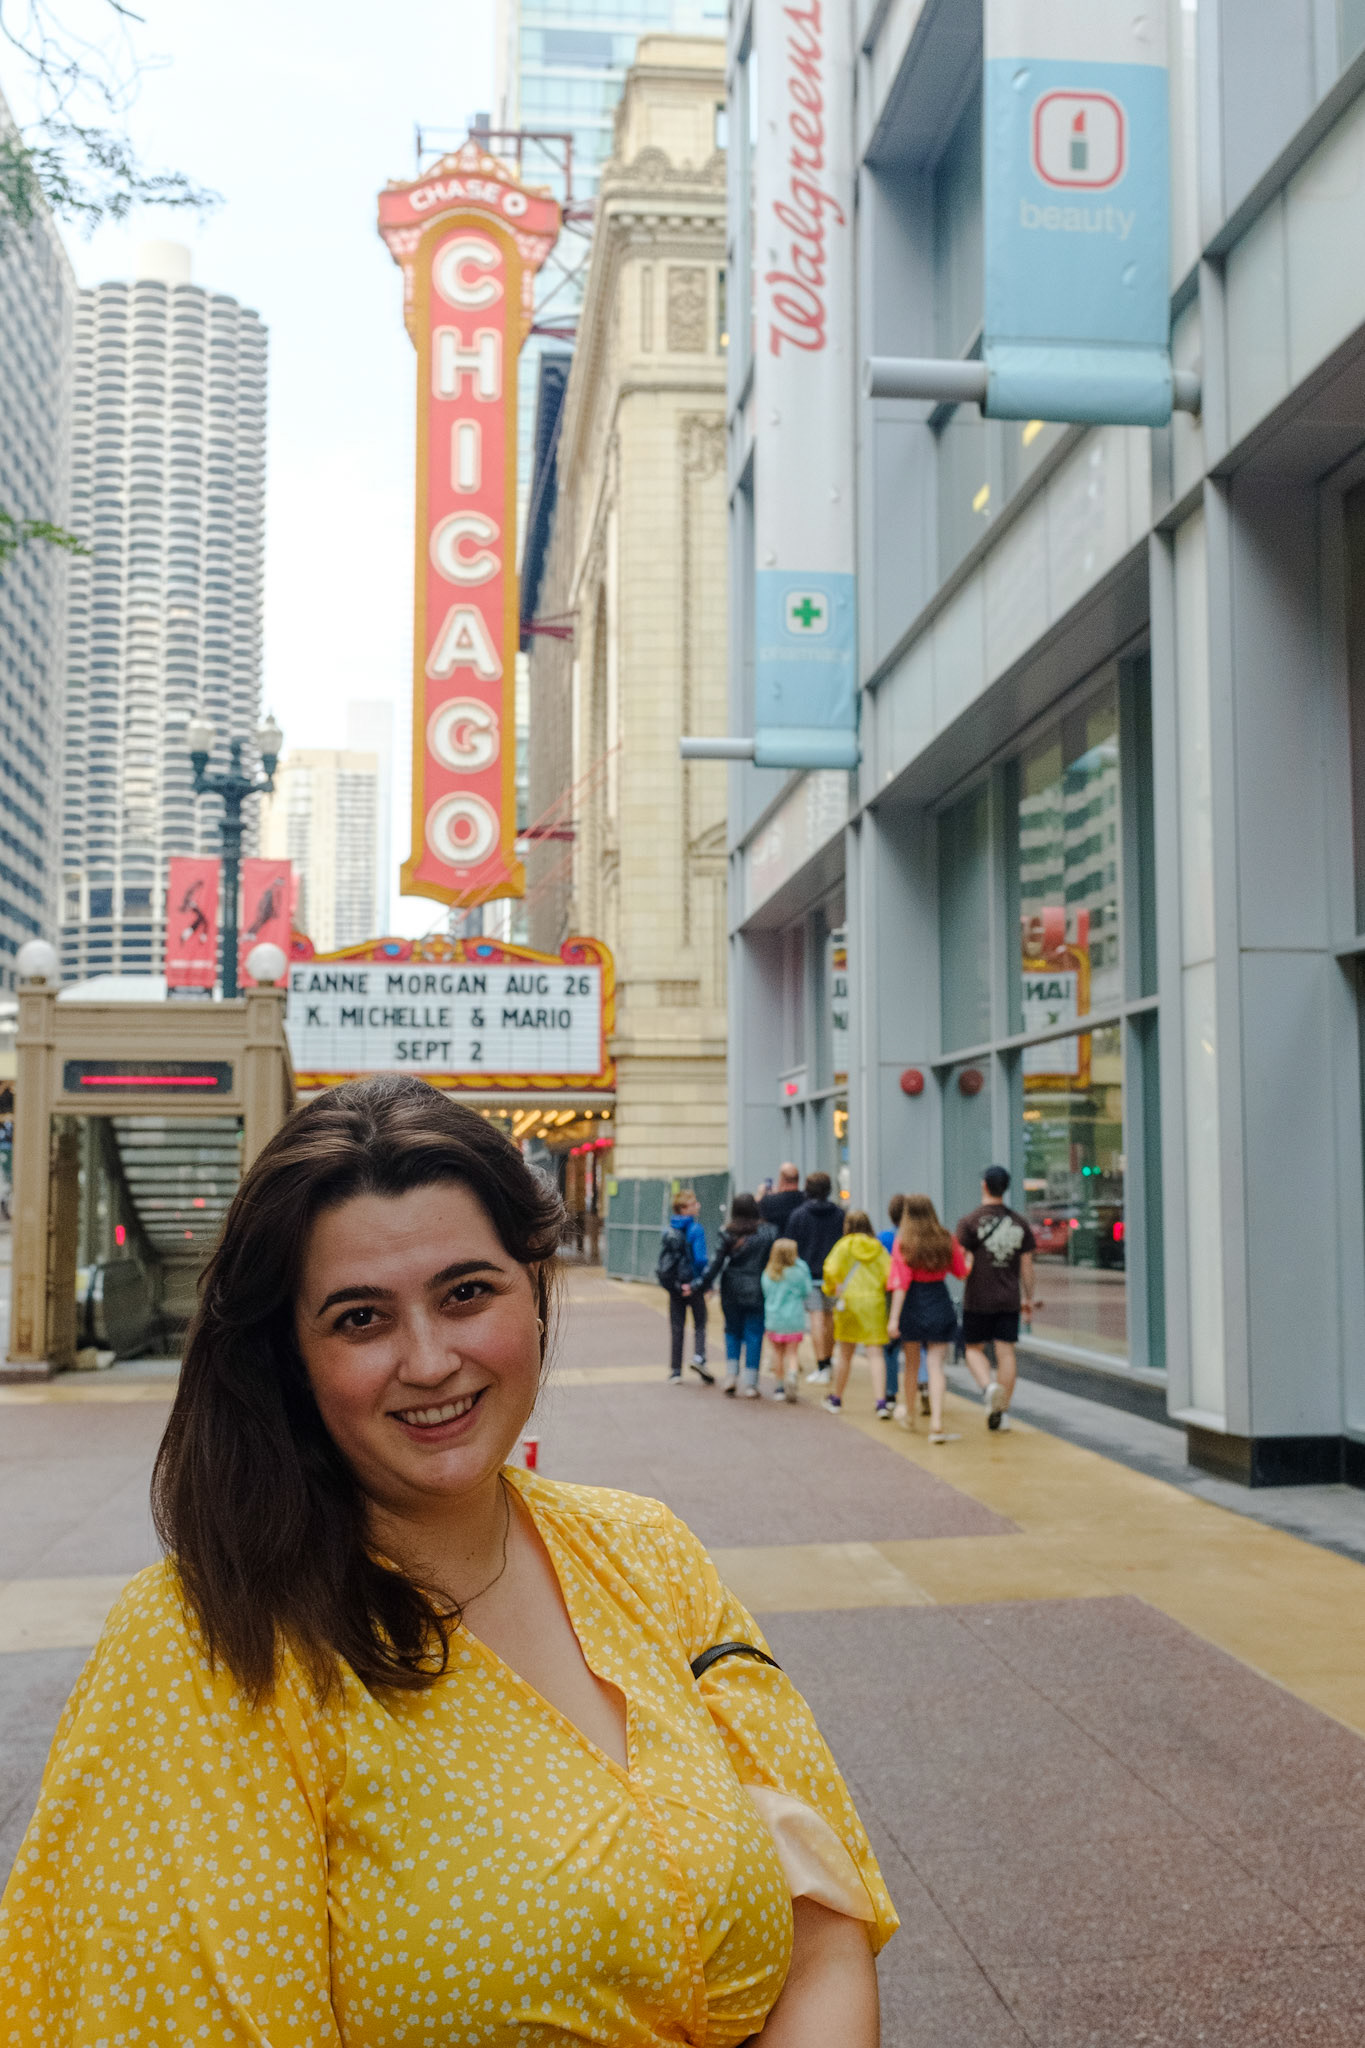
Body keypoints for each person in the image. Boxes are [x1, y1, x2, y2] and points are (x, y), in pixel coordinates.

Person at [0, 1076, 896, 2043]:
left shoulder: (645, 1551)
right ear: (289, 1358)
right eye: (360, 1318)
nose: (428, 1361)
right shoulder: (208, 1644)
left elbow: (824, 1916)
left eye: (466, 1293)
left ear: (534, 1292)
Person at [956, 1163, 1037, 1432]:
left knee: (972, 1349)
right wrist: (1028, 1299)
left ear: (984, 1186)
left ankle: (988, 1387)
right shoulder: (1020, 1223)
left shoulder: (969, 1222)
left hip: (977, 1298)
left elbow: (962, 1263)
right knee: (1006, 1353)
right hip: (1009, 1299)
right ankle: (1002, 1413)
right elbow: (1027, 1266)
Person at [887, 1196, 969, 1444]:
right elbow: (961, 1272)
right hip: (939, 1300)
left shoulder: (904, 1243)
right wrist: (969, 1259)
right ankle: (936, 1423)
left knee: (912, 1365)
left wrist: (893, 1319)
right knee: (935, 1366)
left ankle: (910, 1414)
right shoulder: (946, 1238)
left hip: (912, 1304)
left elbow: (901, 1284)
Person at [700, 1192, 777, 1398]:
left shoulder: (728, 1232)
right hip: (757, 1286)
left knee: (732, 1330)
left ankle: (731, 1376)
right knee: (754, 1333)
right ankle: (751, 1383)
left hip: (731, 1286)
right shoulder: (769, 1232)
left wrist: (703, 1284)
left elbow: (716, 1262)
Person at [819, 1211, 891, 1414]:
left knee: (845, 1354)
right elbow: (889, 1273)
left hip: (849, 1302)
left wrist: (831, 1288)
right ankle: (881, 1403)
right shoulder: (878, 1247)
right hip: (874, 1303)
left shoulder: (844, 1246)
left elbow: (831, 1270)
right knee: (875, 1354)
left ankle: (837, 1399)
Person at [789, 1170, 846, 1384]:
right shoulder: (839, 1214)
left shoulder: (799, 1215)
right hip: (833, 1275)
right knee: (830, 1318)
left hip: (808, 1274)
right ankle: (828, 1361)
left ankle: (821, 1364)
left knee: (816, 1318)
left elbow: (792, 1245)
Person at [656, 1187, 714, 1385]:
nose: (698, 1206)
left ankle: (675, 1370)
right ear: (683, 1208)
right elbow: (701, 1259)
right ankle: (699, 1357)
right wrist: (703, 1283)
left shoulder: (668, 1230)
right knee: (700, 1323)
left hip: (675, 1286)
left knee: (677, 1326)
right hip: (694, 1284)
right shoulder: (696, 1229)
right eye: (693, 1203)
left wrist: (675, 1284)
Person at [761, 1236, 813, 1402]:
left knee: (777, 1353)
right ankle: (792, 1375)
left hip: (774, 1319)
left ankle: (779, 1387)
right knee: (792, 1353)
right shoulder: (799, 1271)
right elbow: (807, 1290)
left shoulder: (769, 1272)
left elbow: (765, 1291)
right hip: (794, 1319)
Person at [760, 1161, 805, 1233]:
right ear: (798, 1179)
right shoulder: (807, 1199)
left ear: (782, 1179)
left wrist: (762, 1196)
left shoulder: (769, 1201)